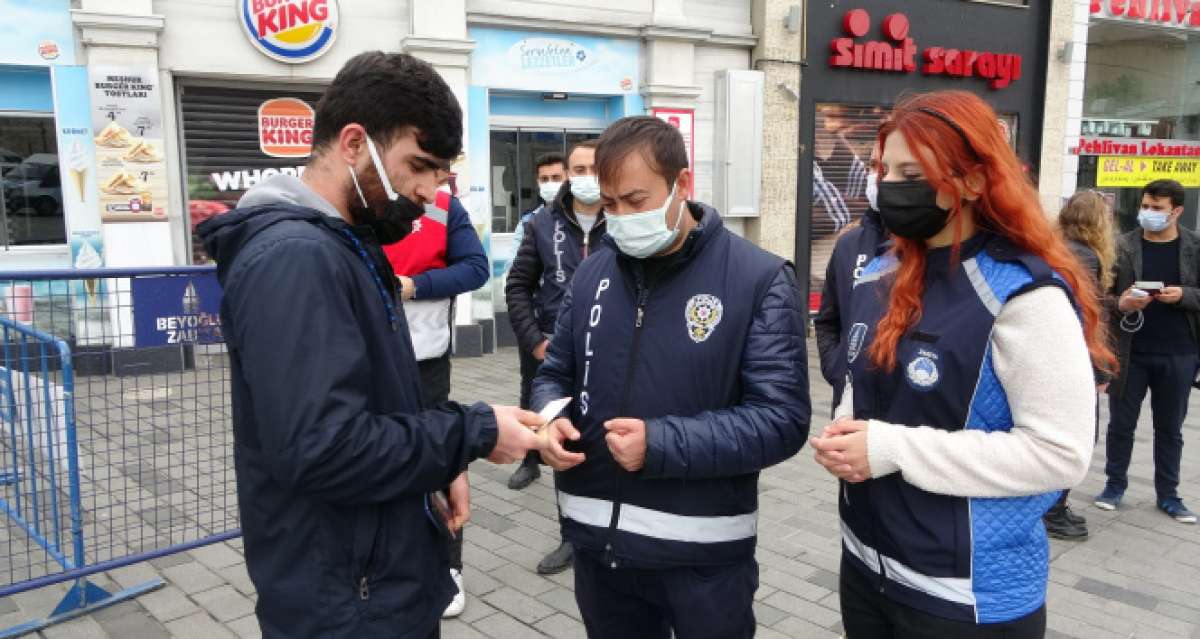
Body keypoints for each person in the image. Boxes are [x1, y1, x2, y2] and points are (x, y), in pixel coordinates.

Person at [196, 51, 541, 638]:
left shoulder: (344, 243)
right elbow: (324, 448)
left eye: (441, 174)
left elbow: (371, 405)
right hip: (346, 599)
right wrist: (472, 433)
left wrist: (436, 463)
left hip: (368, 578)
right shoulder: (297, 260)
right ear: (354, 143)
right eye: (420, 166)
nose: (431, 193)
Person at [809, 91, 1114, 638]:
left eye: (911, 170)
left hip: (966, 594)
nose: (889, 185)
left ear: (973, 181)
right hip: (867, 565)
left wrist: (888, 448)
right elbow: (872, 381)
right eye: (884, 169)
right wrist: (850, 430)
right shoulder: (890, 269)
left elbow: (1060, 453)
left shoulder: (1024, 294)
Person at [533, 116, 810, 638]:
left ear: (682, 185)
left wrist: (661, 443)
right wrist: (549, 421)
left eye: (635, 202)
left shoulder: (760, 278)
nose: (620, 218)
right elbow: (555, 374)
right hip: (598, 548)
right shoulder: (592, 273)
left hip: (702, 562)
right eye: (609, 205)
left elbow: (782, 420)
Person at [383, 178, 489, 618]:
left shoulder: (444, 206)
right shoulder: (355, 199)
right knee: (381, 459)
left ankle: (449, 568)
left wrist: (414, 286)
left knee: (437, 455)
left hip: (425, 359)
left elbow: (474, 269)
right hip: (364, 357)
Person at [505, 140, 606, 575]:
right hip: (553, 353)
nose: (584, 176)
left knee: (606, 438)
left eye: (592, 168)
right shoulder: (542, 224)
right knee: (560, 439)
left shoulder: (624, 220)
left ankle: (613, 529)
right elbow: (517, 287)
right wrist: (535, 342)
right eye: (577, 169)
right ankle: (572, 535)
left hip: (608, 354)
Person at [1095, 179, 1199, 525]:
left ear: (1177, 211)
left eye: (1158, 209)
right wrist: (1121, 303)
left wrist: (1184, 295)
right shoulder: (1121, 246)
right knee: (1121, 424)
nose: (1149, 214)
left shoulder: (1194, 247)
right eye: (1146, 206)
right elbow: (1098, 297)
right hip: (1130, 351)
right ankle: (1114, 486)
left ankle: (1168, 494)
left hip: (1179, 352)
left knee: (1170, 428)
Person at [1043, 190, 1117, 540]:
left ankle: (1054, 507)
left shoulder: (1057, 248)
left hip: (1053, 354)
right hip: (1074, 358)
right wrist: (1099, 369)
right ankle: (1054, 510)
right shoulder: (1086, 257)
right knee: (1079, 434)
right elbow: (1086, 317)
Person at [814, 144, 888, 416]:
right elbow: (827, 320)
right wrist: (837, 367)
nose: (878, 176)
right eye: (873, 166)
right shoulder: (849, 244)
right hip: (849, 411)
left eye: (891, 168)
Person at [508, 153, 567, 265]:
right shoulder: (528, 221)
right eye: (544, 179)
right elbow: (513, 265)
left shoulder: (581, 217)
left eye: (556, 178)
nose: (550, 183)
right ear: (538, 182)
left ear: (568, 179)